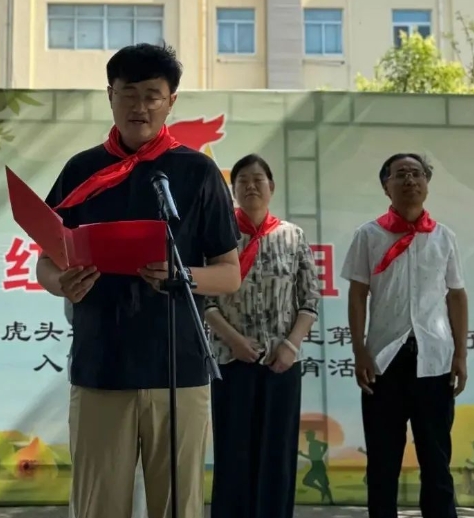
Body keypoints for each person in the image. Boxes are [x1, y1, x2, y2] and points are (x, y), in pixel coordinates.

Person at [37, 43, 240, 518]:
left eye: (152, 95)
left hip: (178, 370)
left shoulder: (197, 172)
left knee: (178, 507)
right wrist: (61, 283)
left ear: (171, 102)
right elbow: (45, 261)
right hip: (100, 367)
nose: (140, 106)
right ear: (110, 95)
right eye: (128, 93)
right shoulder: (81, 170)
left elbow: (229, 274)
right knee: (98, 507)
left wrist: (182, 275)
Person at [341, 153, 468, 518]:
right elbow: (357, 295)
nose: (410, 180)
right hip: (383, 363)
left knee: (436, 461)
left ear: (426, 184)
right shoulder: (368, 235)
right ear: (387, 186)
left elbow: (456, 296)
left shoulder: (443, 237)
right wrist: (359, 350)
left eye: (417, 174)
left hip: (434, 362)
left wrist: (460, 355)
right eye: (401, 175)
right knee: (383, 463)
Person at [204, 154, 320, 518]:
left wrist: (290, 346)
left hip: (280, 362)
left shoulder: (292, 236)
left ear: (272, 187)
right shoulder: (218, 237)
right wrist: (235, 341)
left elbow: (310, 299)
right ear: (233, 190)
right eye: (242, 180)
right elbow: (205, 300)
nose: (251, 186)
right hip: (231, 360)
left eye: (258, 179)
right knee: (233, 451)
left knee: (277, 452)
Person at [64, 299, 149, 518]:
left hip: (168, 370)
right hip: (99, 371)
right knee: (99, 492)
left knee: (151, 493)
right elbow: (72, 306)